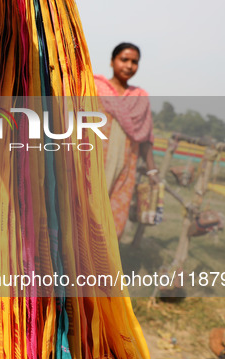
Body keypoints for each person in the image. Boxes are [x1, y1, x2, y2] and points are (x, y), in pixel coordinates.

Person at [95, 42, 158, 239]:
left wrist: (152, 170)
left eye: (134, 62)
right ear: (112, 62)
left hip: (125, 167)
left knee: (111, 223)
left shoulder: (139, 97)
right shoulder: (93, 87)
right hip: (91, 161)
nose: (129, 66)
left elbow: (146, 137)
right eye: (124, 60)